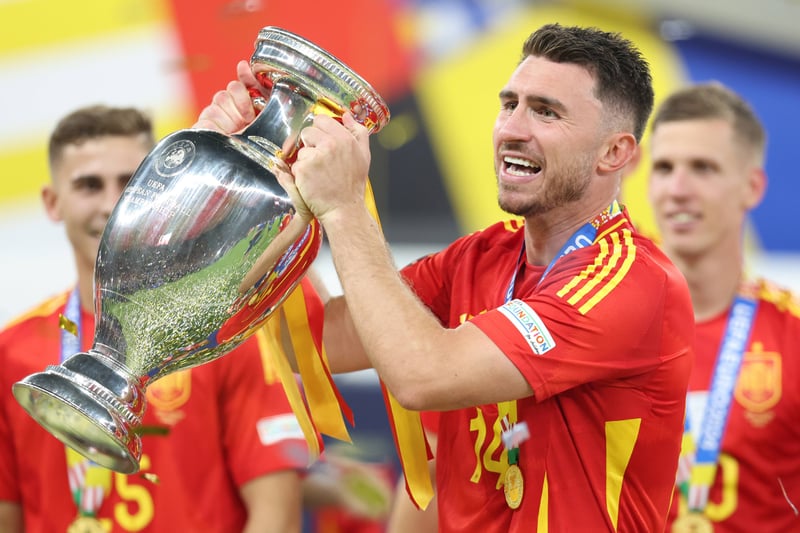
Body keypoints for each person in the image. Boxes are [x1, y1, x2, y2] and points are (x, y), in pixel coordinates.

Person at [196, 23, 695, 531]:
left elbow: (423, 376)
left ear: (615, 153)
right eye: (510, 104)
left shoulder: (631, 282)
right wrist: (256, 179)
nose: (512, 129)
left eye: (546, 112)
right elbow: (314, 340)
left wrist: (345, 207)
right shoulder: (478, 258)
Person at [0, 105, 312, 533]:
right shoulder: (11, 351)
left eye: (129, 183)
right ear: (53, 203)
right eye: (89, 185)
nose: (111, 204)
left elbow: (276, 515)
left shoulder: (222, 336)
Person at [647, 83, 800, 532]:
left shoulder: (792, 334)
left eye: (703, 168)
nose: (677, 189)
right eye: (664, 167)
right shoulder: (595, 325)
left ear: (752, 187)